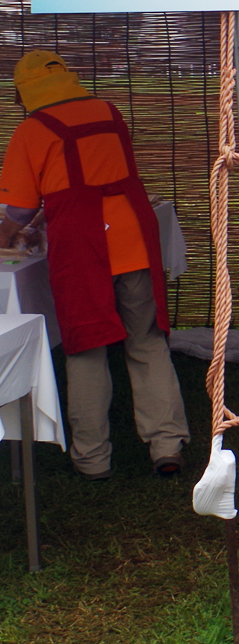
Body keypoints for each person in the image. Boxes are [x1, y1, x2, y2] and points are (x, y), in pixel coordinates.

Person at [0, 50, 187, 480]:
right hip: (134, 238)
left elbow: (20, 210)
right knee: (147, 342)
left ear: (24, 91)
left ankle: (92, 458)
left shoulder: (31, 130)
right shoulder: (108, 111)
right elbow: (97, 179)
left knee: (86, 348)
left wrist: (10, 232)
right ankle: (167, 445)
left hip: (83, 247)